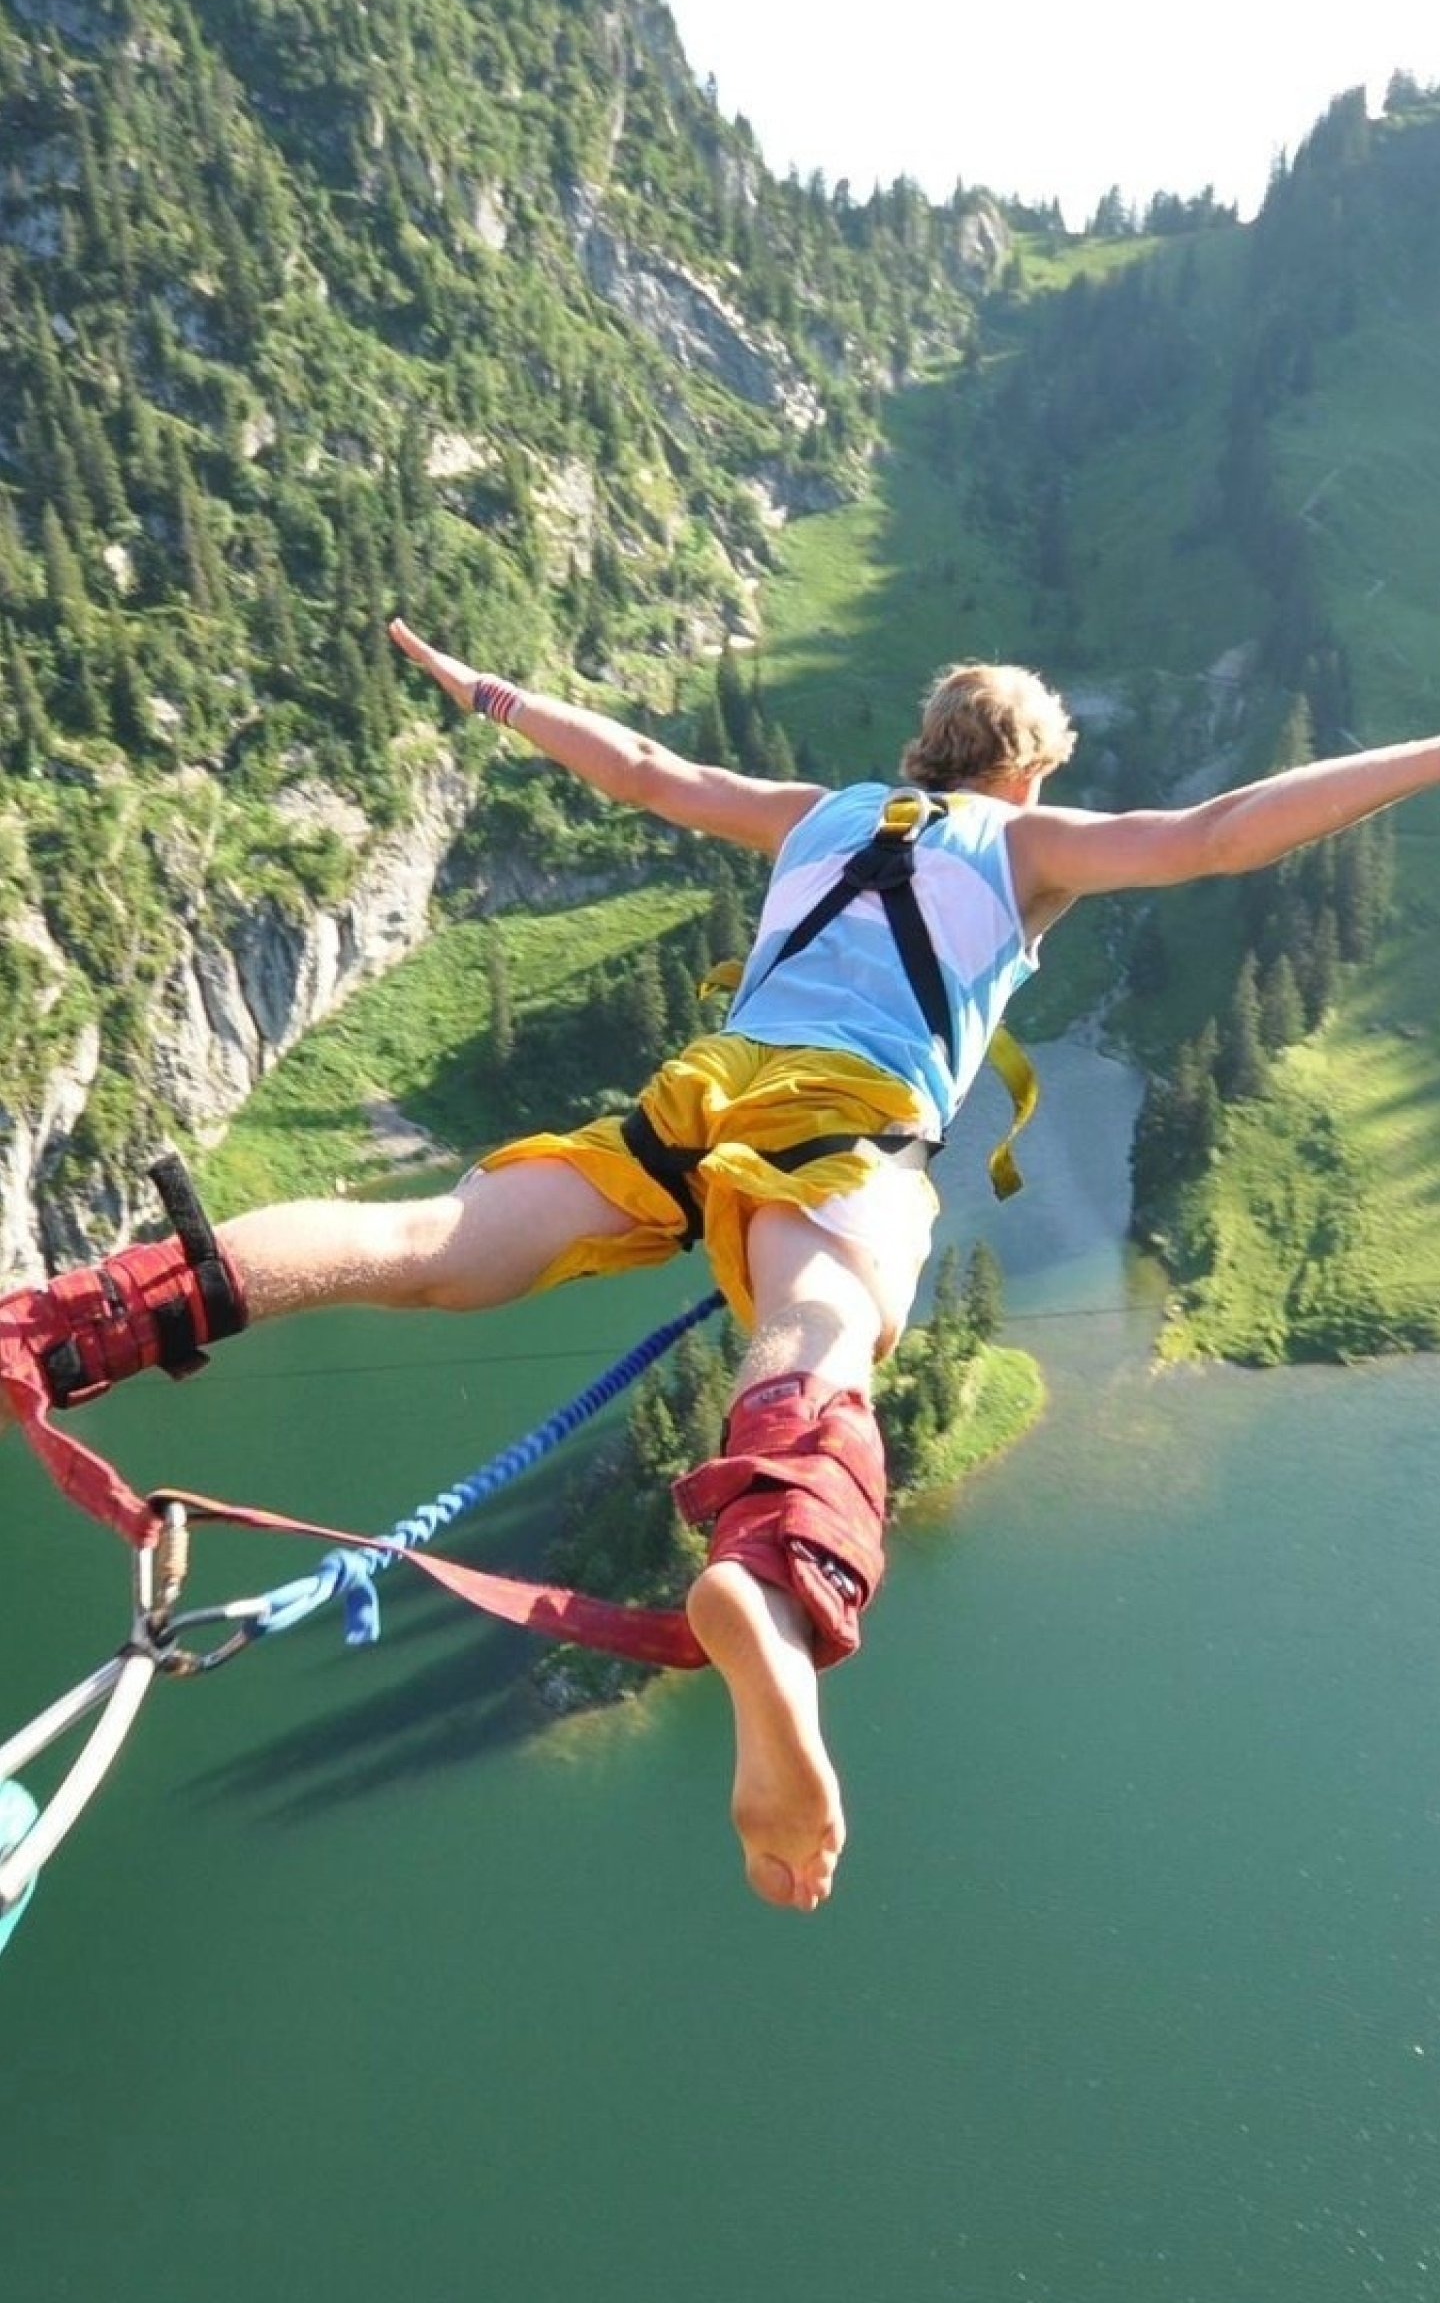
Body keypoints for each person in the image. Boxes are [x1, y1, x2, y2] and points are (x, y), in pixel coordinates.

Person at [5, 615, 1440, 1913]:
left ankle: (75, 1321)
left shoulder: (818, 815)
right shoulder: (1023, 847)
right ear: (1028, 776)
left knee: (436, 1242)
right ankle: (761, 1573)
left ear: (919, 753)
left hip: (699, 1092)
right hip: (847, 1117)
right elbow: (1224, 832)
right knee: (825, 1312)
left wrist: (491, 694)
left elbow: (635, 765)